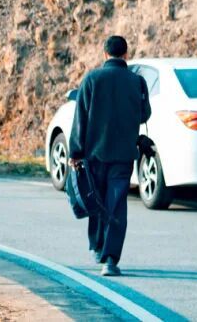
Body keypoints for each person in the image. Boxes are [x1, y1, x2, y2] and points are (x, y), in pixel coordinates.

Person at [68, 33, 151, 276]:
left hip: (94, 154)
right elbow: (145, 114)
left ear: (105, 54)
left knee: (96, 200)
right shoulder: (137, 82)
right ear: (126, 54)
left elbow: (80, 118)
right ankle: (110, 260)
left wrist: (75, 151)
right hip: (123, 155)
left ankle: (97, 248)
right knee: (116, 204)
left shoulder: (92, 79)